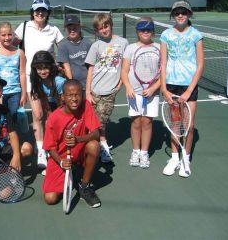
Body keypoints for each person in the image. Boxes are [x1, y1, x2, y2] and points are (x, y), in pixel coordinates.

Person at [14, 0, 64, 168]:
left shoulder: (54, 30)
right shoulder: (24, 27)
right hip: (31, 76)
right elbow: (10, 42)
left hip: (49, 77)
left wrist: (61, 65)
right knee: (38, 114)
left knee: (50, 115)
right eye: (37, 10)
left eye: (43, 10)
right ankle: (41, 150)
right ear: (32, 12)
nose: (40, 13)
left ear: (48, 12)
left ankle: (51, 146)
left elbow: (64, 48)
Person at [160, 0, 204, 178]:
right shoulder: (165, 35)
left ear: (189, 14)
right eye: (177, 12)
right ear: (173, 15)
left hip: (189, 85)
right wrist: (163, 88)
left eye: (183, 12)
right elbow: (163, 63)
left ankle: (186, 158)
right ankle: (174, 158)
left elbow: (200, 65)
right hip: (171, 84)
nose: (180, 15)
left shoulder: (196, 35)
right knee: (175, 124)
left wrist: (188, 91)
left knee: (190, 125)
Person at [43, 79, 102, 208]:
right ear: (63, 97)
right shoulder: (53, 118)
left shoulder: (86, 106)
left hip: (80, 153)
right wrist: (61, 161)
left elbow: (97, 134)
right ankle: (72, 171)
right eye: (70, 95)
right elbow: (50, 148)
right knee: (50, 199)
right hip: (60, 157)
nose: (74, 98)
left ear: (82, 95)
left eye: (77, 94)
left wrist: (79, 139)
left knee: (94, 146)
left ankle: (84, 186)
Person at [85, 13, 128, 163]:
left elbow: (125, 66)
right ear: (97, 31)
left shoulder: (123, 43)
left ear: (111, 25)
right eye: (100, 28)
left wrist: (121, 84)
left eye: (106, 26)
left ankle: (102, 147)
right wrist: (87, 92)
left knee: (100, 122)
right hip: (94, 90)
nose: (104, 30)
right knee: (93, 122)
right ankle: (94, 147)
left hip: (109, 92)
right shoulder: (96, 46)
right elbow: (90, 69)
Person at [121, 17, 160, 169]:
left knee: (147, 122)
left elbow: (163, 73)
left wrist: (153, 88)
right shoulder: (130, 48)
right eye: (142, 29)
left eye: (148, 29)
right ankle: (135, 151)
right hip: (134, 93)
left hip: (152, 93)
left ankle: (144, 153)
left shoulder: (159, 47)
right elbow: (124, 71)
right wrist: (128, 87)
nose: (145, 32)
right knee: (136, 122)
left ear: (153, 31)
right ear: (137, 31)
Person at [30, 51, 66, 169]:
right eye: (39, 68)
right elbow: (44, 99)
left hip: (63, 105)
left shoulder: (59, 82)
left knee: (57, 126)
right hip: (50, 103)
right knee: (44, 121)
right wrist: (49, 113)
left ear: (51, 67)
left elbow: (63, 105)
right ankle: (42, 151)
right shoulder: (37, 80)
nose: (42, 71)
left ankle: (57, 149)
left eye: (45, 68)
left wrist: (55, 117)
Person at [0, 22, 27, 122]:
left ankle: (12, 137)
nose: (7, 38)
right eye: (3, 35)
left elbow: (22, 74)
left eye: (10, 34)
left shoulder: (20, 52)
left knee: (12, 120)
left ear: (14, 35)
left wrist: (24, 94)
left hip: (15, 92)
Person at [57, 15, 92, 92]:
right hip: (74, 87)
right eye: (69, 29)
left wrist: (89, 87)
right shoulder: (63, 45)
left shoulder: (88, 43)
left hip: (88, 85)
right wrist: (72, 86)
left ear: (79, 27)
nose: (72, 31)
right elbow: (66, 67)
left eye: (74, 28)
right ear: (66, 29)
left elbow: (91, 66)